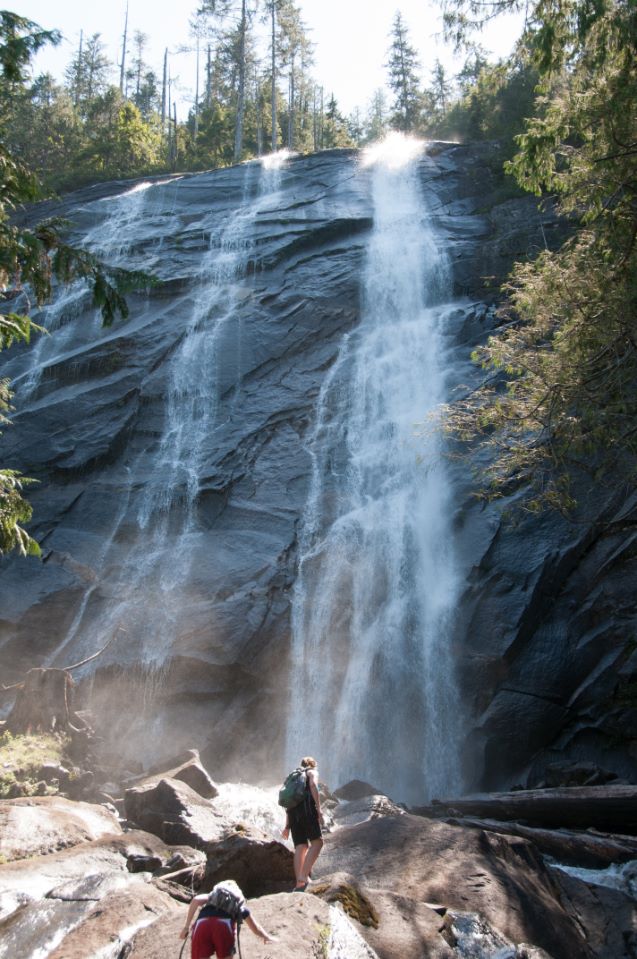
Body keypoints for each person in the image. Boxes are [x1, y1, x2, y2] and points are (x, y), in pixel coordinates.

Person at [179, 880, 276, 959]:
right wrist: (266, 937)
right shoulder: (237, 902)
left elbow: (196, 900)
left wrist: (186, 927)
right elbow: (255, 928)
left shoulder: (212, 897)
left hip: (202, 924)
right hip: (223, 925)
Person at [282, 756, 324, 892]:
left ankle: (299, 883)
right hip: (307, 810)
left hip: (294, 814)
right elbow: (313, 785)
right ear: (313, 765)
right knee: (317, 843)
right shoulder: (312, 772)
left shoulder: (293, 778)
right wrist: (319, 809)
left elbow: (289, 804)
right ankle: (303, 877)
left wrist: (287, 826)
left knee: (301, 846)